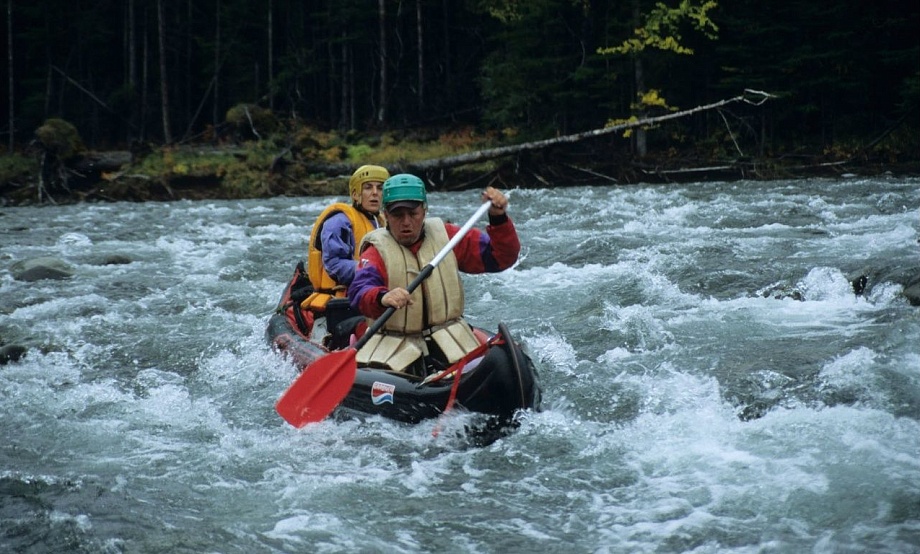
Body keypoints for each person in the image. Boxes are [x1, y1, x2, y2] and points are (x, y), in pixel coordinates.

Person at [348, 173, 520, 376]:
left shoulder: (448, 237)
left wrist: (498, 218)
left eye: (413, 213)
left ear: (424, 210)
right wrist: (382, 297)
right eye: (397, 214)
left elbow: (502, 258)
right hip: (396, 344)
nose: (406, 222)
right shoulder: (376, 250)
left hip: (449, 337)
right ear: (385, 214)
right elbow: (360, 291)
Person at [285, 165, 389, 343]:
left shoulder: (385, 222)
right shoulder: (339, 221)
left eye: (380, 188)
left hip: (372, 298)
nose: (374, 193)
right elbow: (334, 264)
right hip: (338, 306)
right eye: (368, 187)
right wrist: (371, 271)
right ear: (356, 194)